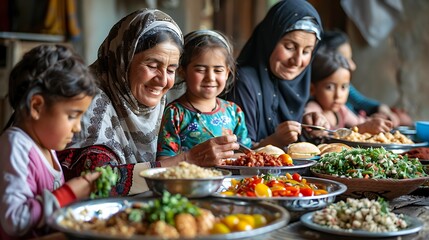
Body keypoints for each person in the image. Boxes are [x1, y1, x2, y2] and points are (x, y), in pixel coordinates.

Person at [57, 9, 237, 196]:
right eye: (152, 66)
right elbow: (96, 182)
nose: (162, 80)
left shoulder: (153, 103)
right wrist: (187, 160)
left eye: (171, 69)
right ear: (123, 60)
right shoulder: (88, 102)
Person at [0, 45, 100, 239]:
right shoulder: (16, 146)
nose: (77, 127)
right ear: (37, 106)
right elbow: (13, 220)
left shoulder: (46, 146)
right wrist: (69, 193)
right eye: (72, 116)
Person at [224, 0, 329, 149]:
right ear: (270, 40)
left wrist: (309, 130)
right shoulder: (245, 81)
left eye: (306, 51)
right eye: (289, 47)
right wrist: (274, 141)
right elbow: (237, 152)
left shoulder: (301, 83)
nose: (297, 61)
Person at [157, 30, 250, 167]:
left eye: (218, 70)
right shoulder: (174, 114)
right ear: (182, 71)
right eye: (200, 70)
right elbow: (164, 162)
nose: (210, 78)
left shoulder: (234, 112)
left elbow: (246, 153)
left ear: (227, 73)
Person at [319, 30, 413, 127]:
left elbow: (362, 102)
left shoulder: (345, 90)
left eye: (350, 58)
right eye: (345, 60)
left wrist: (383, 111)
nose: (353, 66)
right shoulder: (317, 108)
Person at [305, 49, 393, 134]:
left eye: (344, 87)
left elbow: (359, 124)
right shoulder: (314, 110)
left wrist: (374, 123)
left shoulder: (341, 110)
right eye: (329, 87)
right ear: (312, 89)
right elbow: (323, 132)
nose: (338, 95)